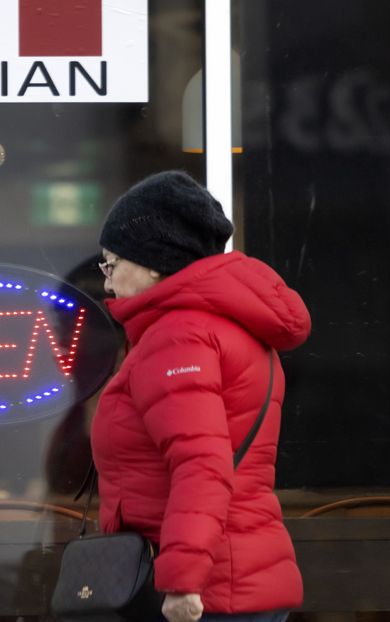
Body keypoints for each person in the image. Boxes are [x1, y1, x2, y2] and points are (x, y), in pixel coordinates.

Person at [90, 171, 310, 622]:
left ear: (153, 262)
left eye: (111, 264)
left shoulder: (180, 335)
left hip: (206, 595)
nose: (108, 284)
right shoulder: (227, 325)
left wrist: (182, 581)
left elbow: (201, 464)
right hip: (239, 578)